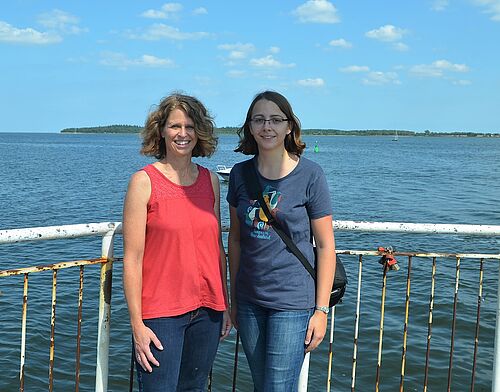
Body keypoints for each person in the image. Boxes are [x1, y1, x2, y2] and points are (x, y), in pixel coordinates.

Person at [227, 91, 336, 391]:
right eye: (259, 119)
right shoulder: (239, 174)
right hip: (249, 300)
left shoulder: (311, 175)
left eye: (276, 119)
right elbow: (235, 240)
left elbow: (325, 246)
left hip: (292, 302)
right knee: (263, 384)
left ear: (289, 126)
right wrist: (234, 298)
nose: (267, 127)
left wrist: (321, 311)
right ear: (249, 127)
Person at [122, 93, 231, 391]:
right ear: (161, 131)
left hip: (208, 310)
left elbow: (216, 249)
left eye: (190, 126)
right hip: (160, 315)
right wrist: (137, 326)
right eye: (174, 126)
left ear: (200, 132)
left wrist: (225, 305)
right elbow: (132, 259)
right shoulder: (143, 182)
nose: (183, 134)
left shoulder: (210, 181)